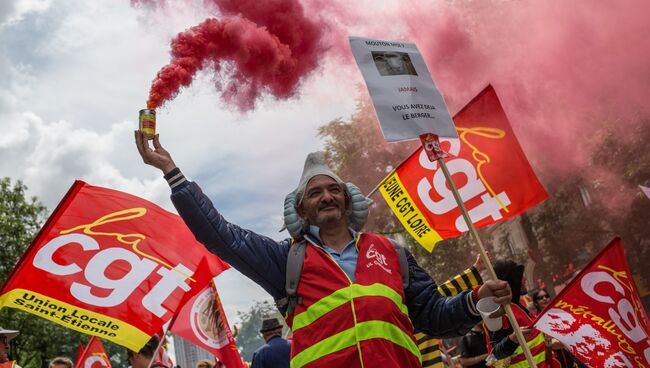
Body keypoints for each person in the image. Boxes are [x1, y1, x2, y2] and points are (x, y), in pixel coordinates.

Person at [134, 132, 513, 367]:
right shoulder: (286, 260)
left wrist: (476, 301)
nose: (327, 196)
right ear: (301, 210)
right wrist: (173, 173)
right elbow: (222, 236)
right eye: (315, 192)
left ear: (348, 202)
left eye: (334, 189)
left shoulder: (391, 252)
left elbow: (432, 315)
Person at [487, 261, 560, 368]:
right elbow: (494, 355)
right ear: (511, 281)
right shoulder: (500, 312)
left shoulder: (518, 305)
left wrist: (549, 344)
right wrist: (512, 339)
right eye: (520, 277)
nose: (525, 279)